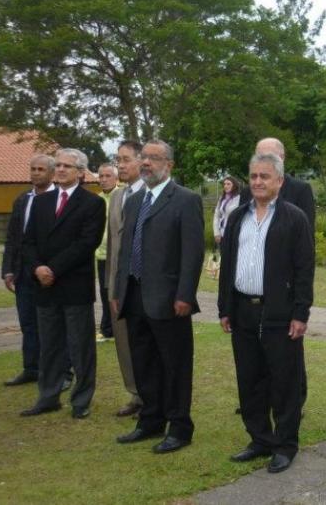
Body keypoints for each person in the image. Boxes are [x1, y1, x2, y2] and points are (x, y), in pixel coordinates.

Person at [218, 153, 315, 473]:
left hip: (280, 313)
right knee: (250, 378)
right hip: (242, 310)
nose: (257, 182)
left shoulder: (294, 218)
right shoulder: (237, 217)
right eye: (254, 176)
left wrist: (300, 313)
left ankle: (285, 445)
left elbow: (304, 269)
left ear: (280, 181)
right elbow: (227, 264)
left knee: (284, 381)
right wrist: (224, 308)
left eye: (265, 176)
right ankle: (259, 439)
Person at [112, 139, 204, 454]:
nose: (147, 162)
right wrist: (119, 290)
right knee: (144, 362)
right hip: (135, 295)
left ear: (169, 165)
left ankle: (179, 427)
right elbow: (125, 251)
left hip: (169, 299)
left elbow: (192, 253)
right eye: (144, 157)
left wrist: (185, 295)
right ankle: (150, 420)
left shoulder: (186, 200)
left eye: (154, 157)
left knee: (175, 366)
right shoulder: (135, 200)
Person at [20, 149, 106, 419]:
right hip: (45, 287)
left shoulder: (92, 204)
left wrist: (53, 269)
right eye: (57, 165)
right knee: (49, 345)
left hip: (74, 286)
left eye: (67, 166)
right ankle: (48, 397)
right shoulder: (41, 202)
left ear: (80, 172)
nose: (60, 169)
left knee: (81, 347)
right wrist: (37, 268)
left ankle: (81, 400)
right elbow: (28, 241)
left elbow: (87, 243)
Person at [1, 154, 55, 386]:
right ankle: (31, 368)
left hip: (49, 274)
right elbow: (13, 238)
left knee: (52, 326)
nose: (35, 173)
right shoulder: (22, 200)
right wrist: (8, 269)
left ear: (51, 173)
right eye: (33, 169)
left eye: (41, 169)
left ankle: (56, 370)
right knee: (28, 323)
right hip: (23, 274)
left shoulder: (59, 199)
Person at [106, 140, 146, 417]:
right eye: (117, 159)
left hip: (142, 283)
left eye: (125, 159)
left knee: (145, 343)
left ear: (142, 161)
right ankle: (135, 393)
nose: (120, 165)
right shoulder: (117, 197)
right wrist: (111, 286)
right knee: (123, 341)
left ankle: (152, 394)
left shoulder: (151, 195)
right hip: (118, 284)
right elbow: (113, 245)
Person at [239, 137, 315, 231]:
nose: (262, 161)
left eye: (268, 157)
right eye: (259, 156)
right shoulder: (247, 192)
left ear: (282, 158)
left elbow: (306, 232)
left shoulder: (300, 190)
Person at [95, 163, 118, 339]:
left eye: (107, 176)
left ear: (116, 178)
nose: (103, 179)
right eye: (101, 176)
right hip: (101, 255)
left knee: (117, 292)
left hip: (118, 255)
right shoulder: (97, 200)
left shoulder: (123, 196)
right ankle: (107, 328)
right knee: (105, 293)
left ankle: (117, 327)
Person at [212, 176, 241, 245]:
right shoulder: (222, 199)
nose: (225, 186)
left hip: (234, 234)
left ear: (234, 185)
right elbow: (216, 216)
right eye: (224, 184)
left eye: (228, 184)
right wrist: (216, 233)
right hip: (222, 233)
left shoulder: (239, 199)